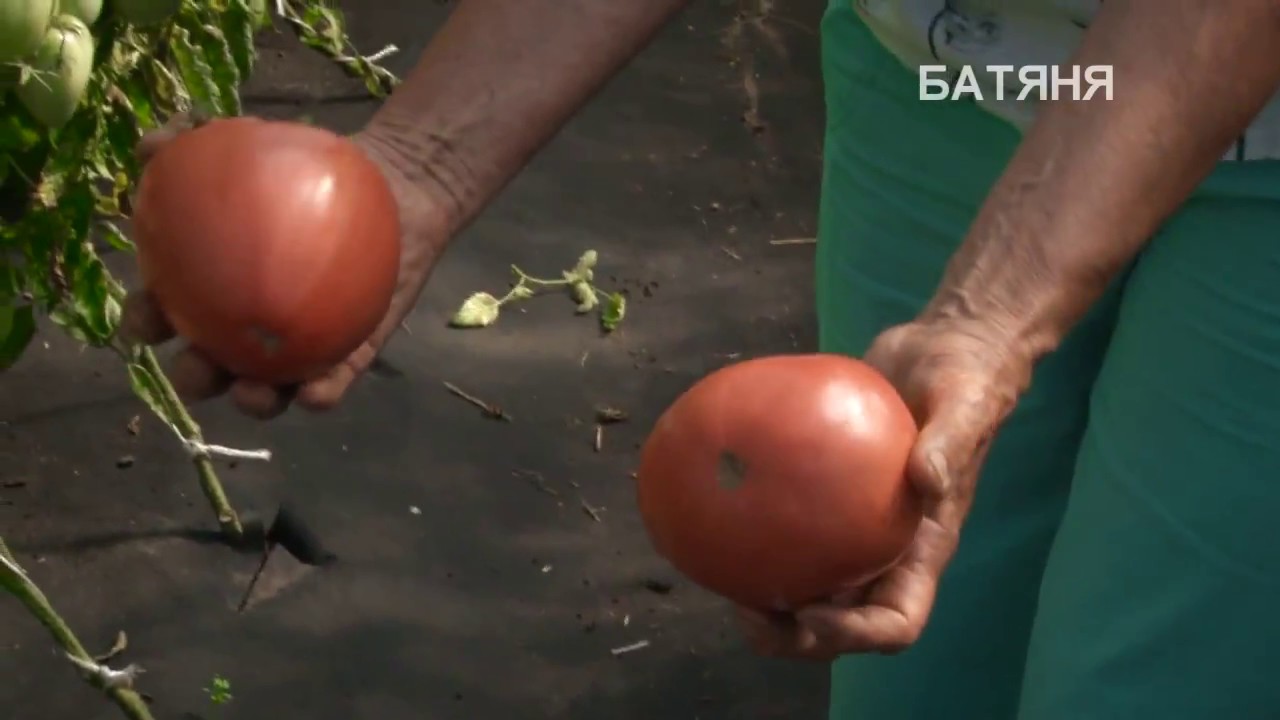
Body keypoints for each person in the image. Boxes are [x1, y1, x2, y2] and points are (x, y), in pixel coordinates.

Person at [121, 0, 1280, 717]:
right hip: (947, 61)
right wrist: (420, 162)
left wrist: (990, 315)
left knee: (1153, 681)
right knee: (914, 657)